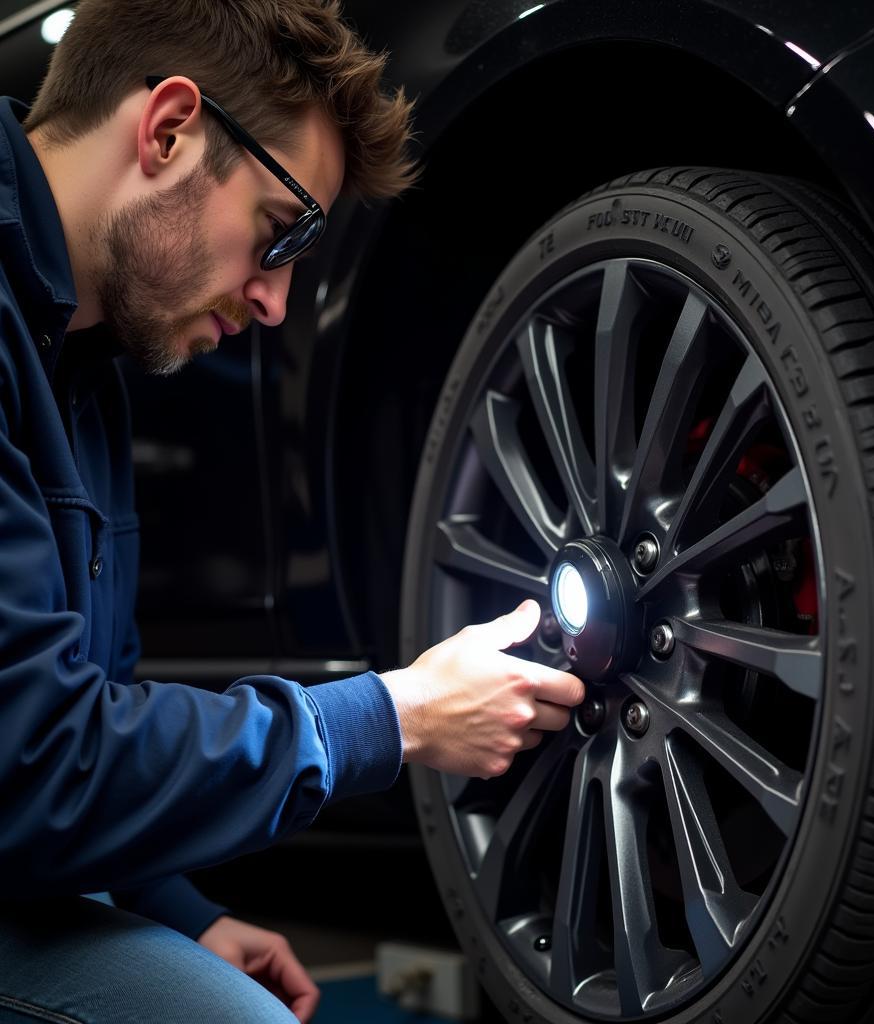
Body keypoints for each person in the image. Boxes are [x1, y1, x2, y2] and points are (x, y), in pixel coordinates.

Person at [0, 2, 585, 1021]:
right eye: (280, 235)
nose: (274, 302)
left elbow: (77, 711)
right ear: (169, 129)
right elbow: (33, 761)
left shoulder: (81, 368)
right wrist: (390, 714)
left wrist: (174, 909)